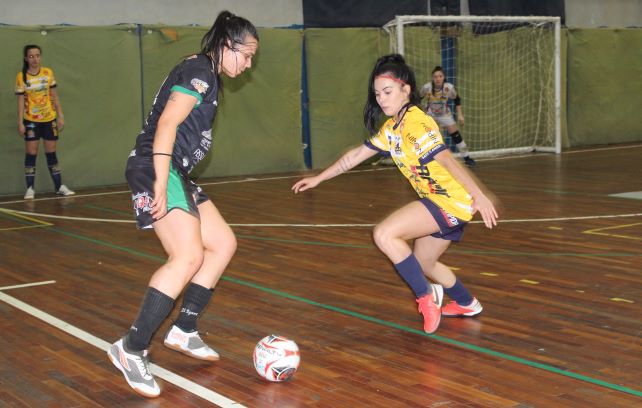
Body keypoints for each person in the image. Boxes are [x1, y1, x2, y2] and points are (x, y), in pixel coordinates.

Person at [107, 11, 258, 398]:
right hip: (156, 165)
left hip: (175, 170)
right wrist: (160, 179)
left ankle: (184, 327)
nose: (248, 63)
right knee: (187, 256)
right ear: (227, 46)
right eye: (246, 55)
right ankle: (131, 347)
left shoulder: (204, 70)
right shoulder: (202, 72)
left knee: (222, 243)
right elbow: (167, 124)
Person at [292, 54, 497, 335]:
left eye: (388, 92)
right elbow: (354, 157)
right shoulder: (392, 128)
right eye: (377, 94)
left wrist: (480, 196)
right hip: (443, 201)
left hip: (449, 201)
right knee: (424, 262)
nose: (382, 99)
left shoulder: (417, 123)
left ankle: (426, 297)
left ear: (406, 90)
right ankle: (466, 302)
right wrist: (319, 178)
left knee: (385, 234)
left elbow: (448, 161)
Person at [15, 44, 75, 199]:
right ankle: (30, 188)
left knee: (51, 153)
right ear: (26, 58)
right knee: (31, 153)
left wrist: (60, 115)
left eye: (37, 55)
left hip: (49, 119)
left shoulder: (48, 73)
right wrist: (20, 122)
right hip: (31, 121)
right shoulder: (21, 77)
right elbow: (21, 102)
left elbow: (54, 96)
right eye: (31, 56)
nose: (35, 59)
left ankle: (59, 186)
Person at [420, 66, 475, 167]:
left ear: (443, 77)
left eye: (440, 76)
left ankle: (467, 158)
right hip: (430, 115)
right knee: (431, 137)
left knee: (456, 135)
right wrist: (420, 113)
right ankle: (428, 159)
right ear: (432, 78)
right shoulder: (427, 87)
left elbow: (457, 99)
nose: (438, 79)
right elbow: (418, 98)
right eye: (435, 76)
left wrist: (460, 115)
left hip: (444, 114)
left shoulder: (448, 87)